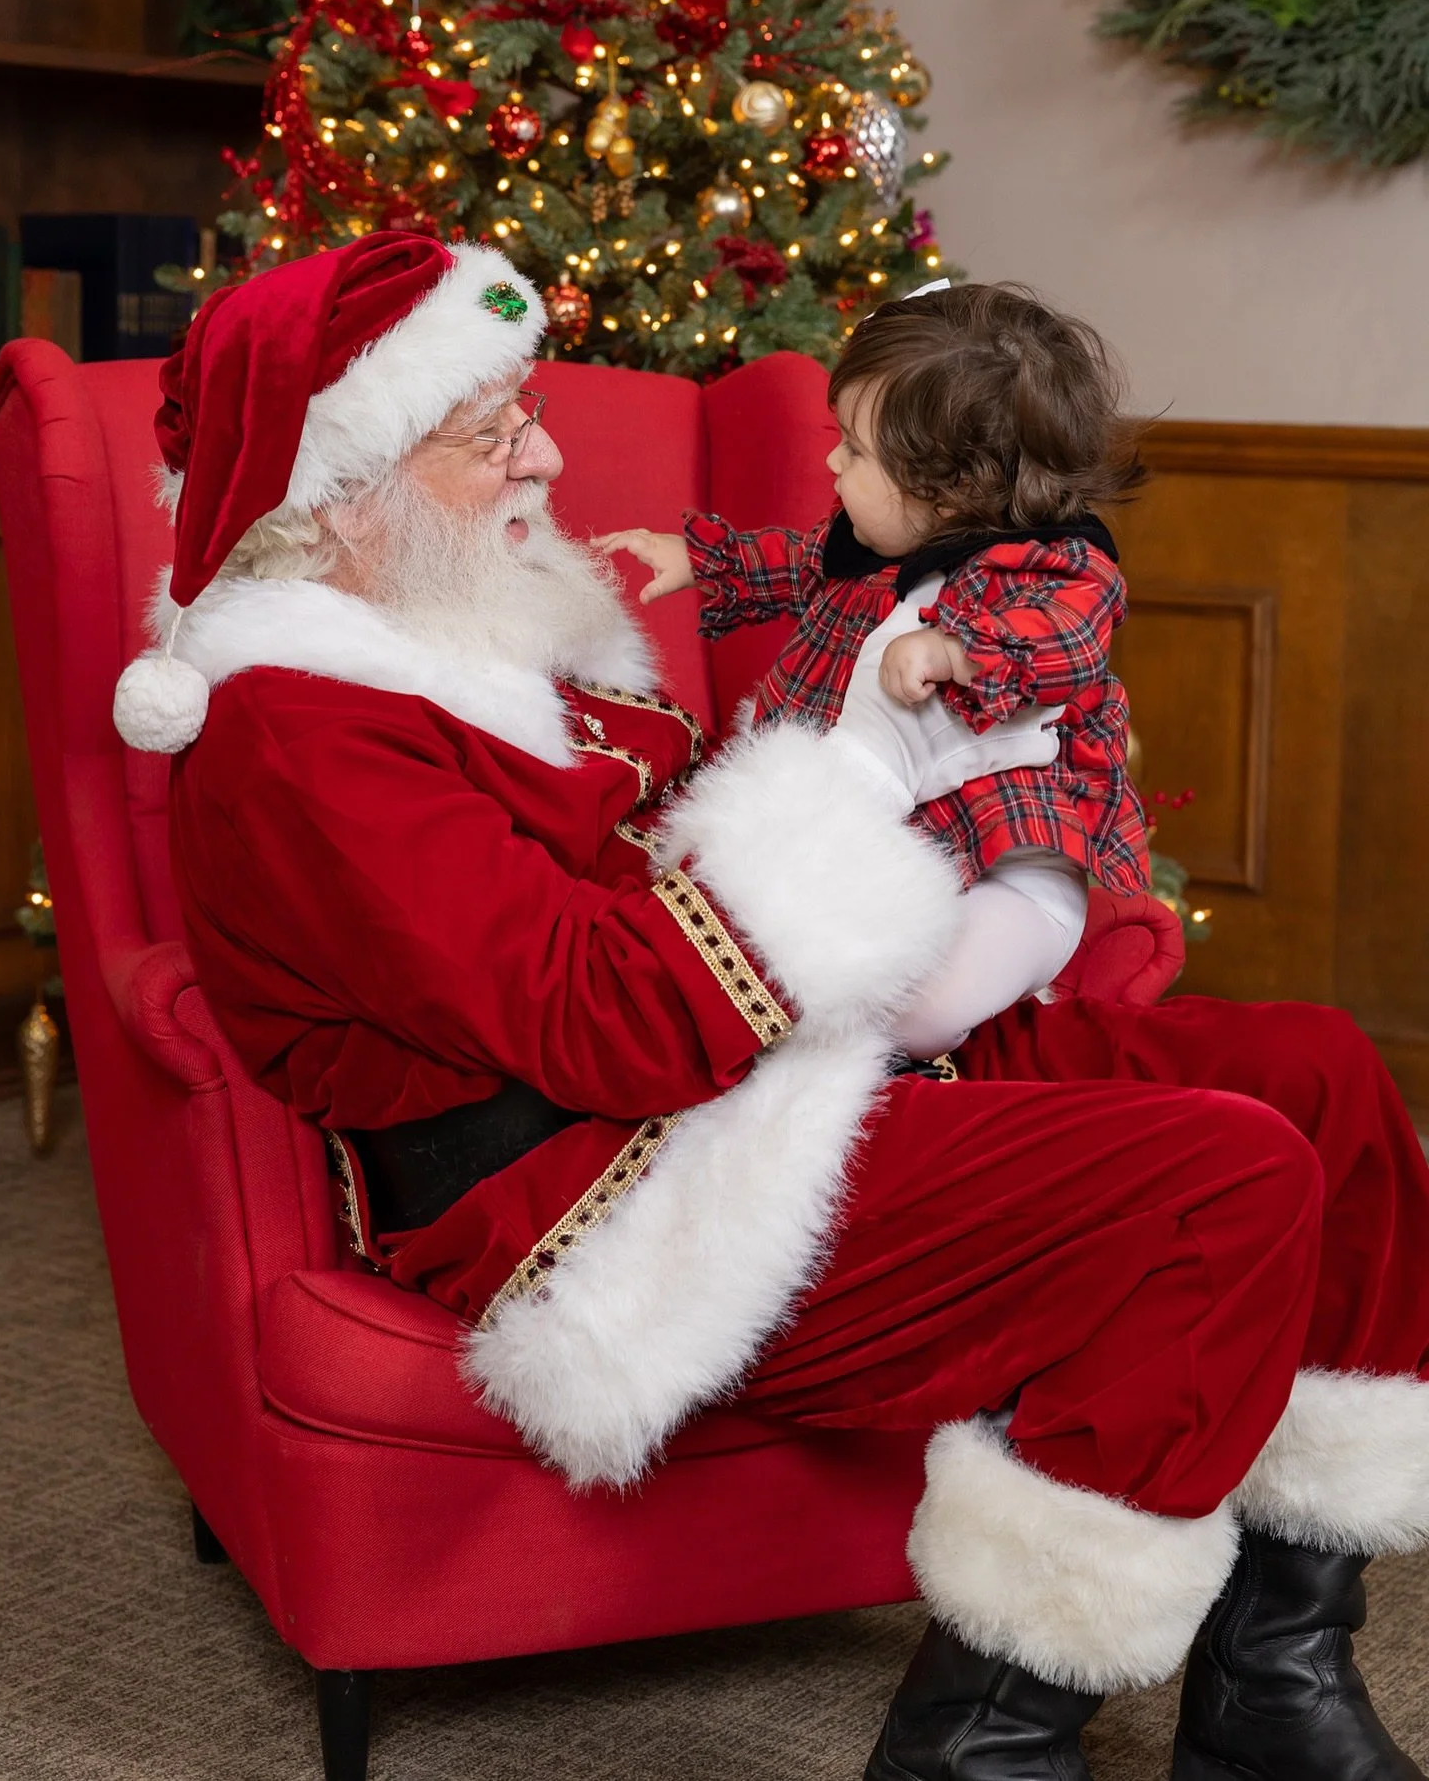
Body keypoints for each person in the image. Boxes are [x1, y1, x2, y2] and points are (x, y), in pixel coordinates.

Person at [113, 232, 1429, 1781]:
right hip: (611, 1194)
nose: (543, 449)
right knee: (1224, 1177)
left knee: (1315, 1071)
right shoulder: (299, 735)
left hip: (763, 1064)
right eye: (491, 431)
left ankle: (1272, 1673)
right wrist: (854, 782)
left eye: (525, 405)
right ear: (343, 491)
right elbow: (608, 1020)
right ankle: (974, 1750)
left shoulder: (465, 627)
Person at [596, 281, 1150, 1054]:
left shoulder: (1057, 568)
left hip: (1009, 869)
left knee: (917, 1011)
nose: (831, 459)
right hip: (898, 843)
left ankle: (988, 1011)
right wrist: (700, 559)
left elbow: (1070, 642)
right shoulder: (876, 541)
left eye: (855, 451)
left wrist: (957, 650)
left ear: (951, 490)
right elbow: (799, 563)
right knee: (793, 946)